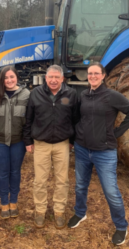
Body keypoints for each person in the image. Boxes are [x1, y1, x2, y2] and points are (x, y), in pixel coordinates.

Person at [67, 62, 129, 246]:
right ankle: (80, 213)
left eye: (96, 73)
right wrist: (77, 135)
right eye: (90, 74)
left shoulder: (112, 96)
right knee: (81, 185)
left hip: (104, 152)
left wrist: (116, 133)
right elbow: (78, 118)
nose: (92, 76)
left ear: (103, 75)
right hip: (82, 149)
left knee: (111, 191)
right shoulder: (83, 95)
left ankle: (121, 226)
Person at [23, 65, 78, 229]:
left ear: (62, 79)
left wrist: (71, 141)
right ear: (45, 79)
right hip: (41, 144)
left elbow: (75, 119)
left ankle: (59, 211)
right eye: (50, 77)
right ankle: (40, 210)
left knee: (62, 180)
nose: (53, 80)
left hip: (62, 144)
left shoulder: (71, 94)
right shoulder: (35, 94)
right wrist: (28, 141)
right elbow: (28, 119)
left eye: (57, 77)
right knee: (40, 180)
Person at [0, 66, 30, 219]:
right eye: (6, 78)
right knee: (2, 172)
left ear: (17, 78)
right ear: (2, 79)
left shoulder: (26, 94)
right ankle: (4, 202)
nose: (9, 80)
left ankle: (14, 201)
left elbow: (29, 120)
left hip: (18, 142)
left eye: (12, 77)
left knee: (15, 172)